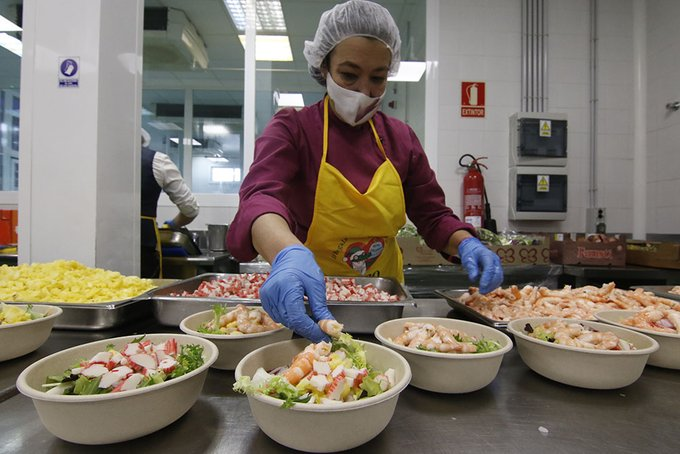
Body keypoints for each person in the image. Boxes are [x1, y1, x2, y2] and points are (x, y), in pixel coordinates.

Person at [226, 0, 503, 342]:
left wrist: (465, 244)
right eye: (348, 74)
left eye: (378, 78)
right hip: (308, 302)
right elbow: (261, 198)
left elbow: (432, 214)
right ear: (323, 65)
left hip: (383, 304)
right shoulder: (294, 129)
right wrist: (287, 253)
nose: (363, 91)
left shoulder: (400, 139)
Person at [140, 128, 199, 278]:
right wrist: (172, 225)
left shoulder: (98, 159)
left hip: (105, 241)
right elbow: (190, 208)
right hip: (144, 242)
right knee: (143, 293)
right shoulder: (156, 161)